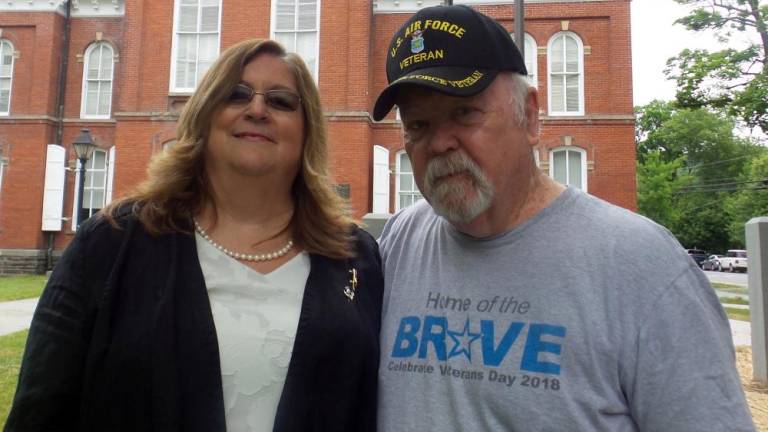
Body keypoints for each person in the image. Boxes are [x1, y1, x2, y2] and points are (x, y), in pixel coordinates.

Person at [372, 5, 755, 431]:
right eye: (418, 125)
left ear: (530, 116)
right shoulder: (400, 243)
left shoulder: (642, 264)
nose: (440, 142)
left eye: (464, 113)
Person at [5, 38, 383, 432]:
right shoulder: (112, 242)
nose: (257, 109)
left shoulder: (353, 256)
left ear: (307, 130)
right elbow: (41, 409)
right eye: (236, 95)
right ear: (204, 116)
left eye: (281, 101)